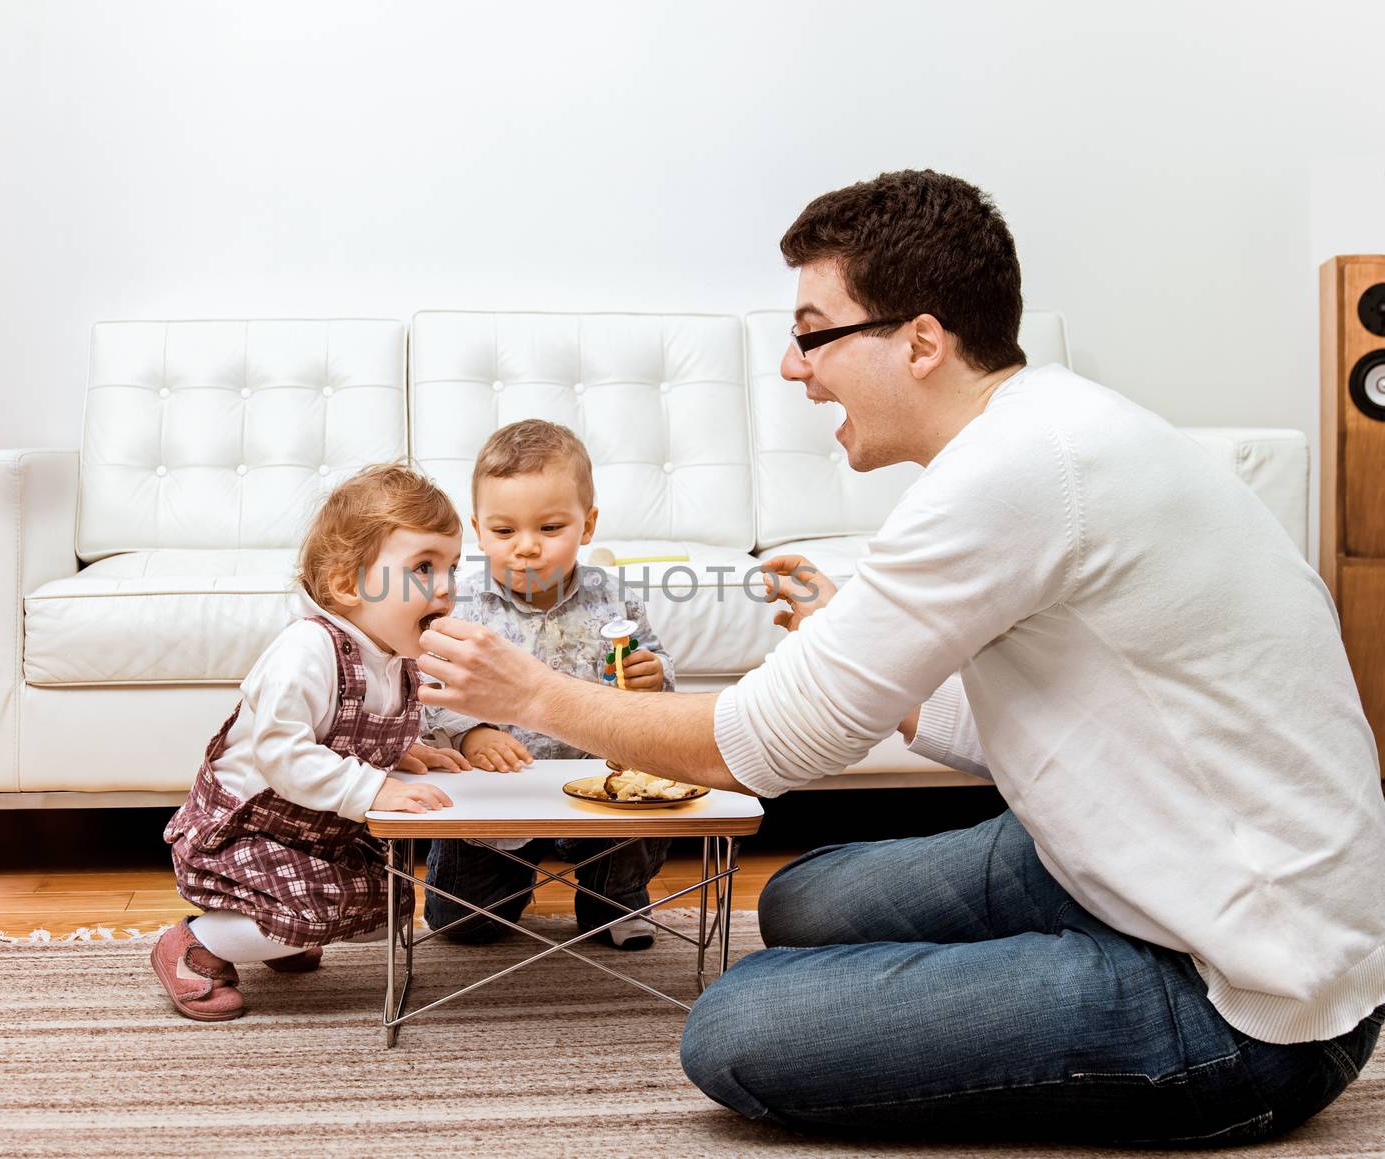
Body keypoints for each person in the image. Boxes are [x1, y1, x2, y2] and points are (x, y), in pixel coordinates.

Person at [415, 170, 1385, 1143]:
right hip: (1167, 855)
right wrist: (886, 681)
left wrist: (531, 692)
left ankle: (1105, 992)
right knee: (800, 902)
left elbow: (747, 750)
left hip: (1257, 999)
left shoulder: (1013, 474)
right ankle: (1057, 955)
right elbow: (1061, 702)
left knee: (737, 1026)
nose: (794, 368)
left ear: (921, 341)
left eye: (812, 333)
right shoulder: (1049, 427)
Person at [151, 464, 470, 1022]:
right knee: (321, 908)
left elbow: (353, 734)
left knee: (386, 909)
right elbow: (284, 755)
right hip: (243, 830)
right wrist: (373, 784)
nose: (445, 587)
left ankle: (279, 932)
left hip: (313, 834)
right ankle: (196, 944)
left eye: (452, 568)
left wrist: (400, 754)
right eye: (423, 568)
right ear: (349, 585)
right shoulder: (307, 650)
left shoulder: (395, 660)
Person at [423, 419, 675, 950]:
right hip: (501, 786)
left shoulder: (614, 598)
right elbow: (429, 686)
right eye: (504, 531)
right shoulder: (459, 605)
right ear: (477, 529)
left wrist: (654, 675)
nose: (527, 548)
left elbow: (653, 657)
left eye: (550, 528)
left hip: (601, 778)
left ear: (588, 525)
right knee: (463, 925)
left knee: (634, 826)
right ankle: (504, 886)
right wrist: (470, 734)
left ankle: (615, 898)